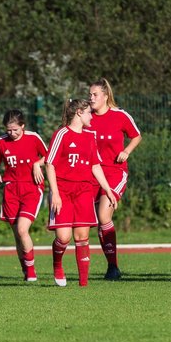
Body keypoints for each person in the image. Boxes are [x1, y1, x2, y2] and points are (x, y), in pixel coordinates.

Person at [46, 98, 119, 287]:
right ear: (79, 112)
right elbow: (50, 164)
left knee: (82, 237)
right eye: (88, 113)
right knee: (63, 238)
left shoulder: (89, 136)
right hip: (62, 190)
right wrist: (55, 192)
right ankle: (57, 265)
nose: (91, 117)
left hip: (84, 191)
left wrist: (107, 189)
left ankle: (83, 285)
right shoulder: (61, 134)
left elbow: (95, 165)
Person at [87, 79, 142, 280]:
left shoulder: (120, 116)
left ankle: (113, 266)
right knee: (94, 223)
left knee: (103, 216)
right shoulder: (86, 118)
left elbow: (136, 136)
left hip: (115, 173)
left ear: (105, 96)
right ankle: (109, 266)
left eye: (94, 95)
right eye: (89, 94)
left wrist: (127, 151)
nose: (91, 98)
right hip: (91, 175)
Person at [0, 109, 48, 282]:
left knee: (22, 229)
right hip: (11, 190)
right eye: (8, 130)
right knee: (17, 235)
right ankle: (25, 269)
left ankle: (31, 271)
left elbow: (50, 155)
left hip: (31, 188)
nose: (12, 133)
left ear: (23, 126)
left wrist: (37, 163)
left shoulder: (33, 138)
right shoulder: (1, 142)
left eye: (15, 130)